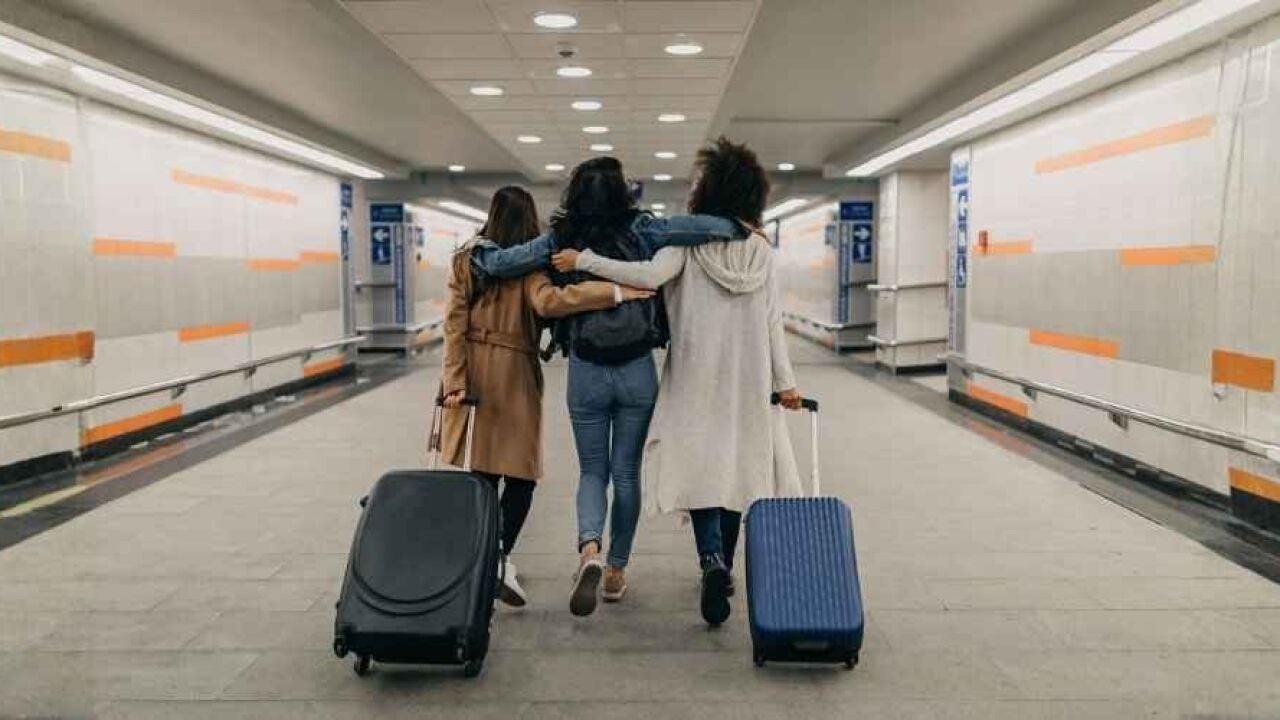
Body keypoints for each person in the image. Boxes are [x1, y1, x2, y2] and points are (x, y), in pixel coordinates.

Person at [471, 158, 750, 618]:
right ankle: (617, 570)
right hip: (637, 368)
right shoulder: (644, 229)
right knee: (626, 475)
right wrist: (737, 227)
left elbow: (503, 263)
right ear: (623, 191)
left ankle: (589, 551)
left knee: (592, 472)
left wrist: (478, 251)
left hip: (586, 369)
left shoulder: (563, 236)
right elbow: (699, 227)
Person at [551, 138, 805, 627]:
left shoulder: (685, 246)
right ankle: (722, 562)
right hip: (747, 379)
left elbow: (645, 277)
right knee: (736, 467)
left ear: (708, 191)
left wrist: (584, 261)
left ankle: (708, 559)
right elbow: (773, 321)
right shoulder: (761, 251)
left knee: (701, 469)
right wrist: (785, 382)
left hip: (694, 374)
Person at [438, 185, 653, 608]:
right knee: (521, 478)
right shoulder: (531, 268)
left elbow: (453, 326)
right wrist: (615, 291)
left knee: (481, 474)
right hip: (515, 375)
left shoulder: (466, 261)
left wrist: (455, 381)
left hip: (474, 375)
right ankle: (499, 555)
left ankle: (483, 557)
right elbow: (553, 302)